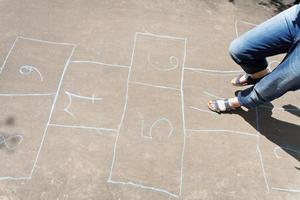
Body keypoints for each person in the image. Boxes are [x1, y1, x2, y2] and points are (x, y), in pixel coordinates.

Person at [208, 3, 300, 113]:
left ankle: (240, 101)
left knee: (279, 80)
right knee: (239, 49)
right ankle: (259, 75)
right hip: (297, 18)